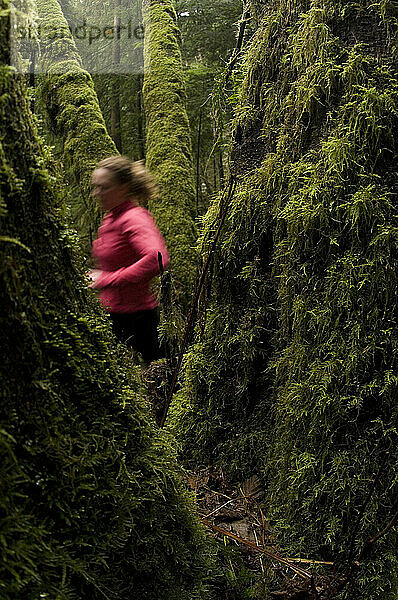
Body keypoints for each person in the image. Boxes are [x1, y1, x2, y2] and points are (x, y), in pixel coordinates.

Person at [88, 156, 170, 364]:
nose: (97, 193)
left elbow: (158, 258)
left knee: (155, 384)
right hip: (113, 316)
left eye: (104, 187)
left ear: (124, 187)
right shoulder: (111, 217)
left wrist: (107, 279)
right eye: (95, 187)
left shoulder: (134, 217)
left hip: (138, 321)